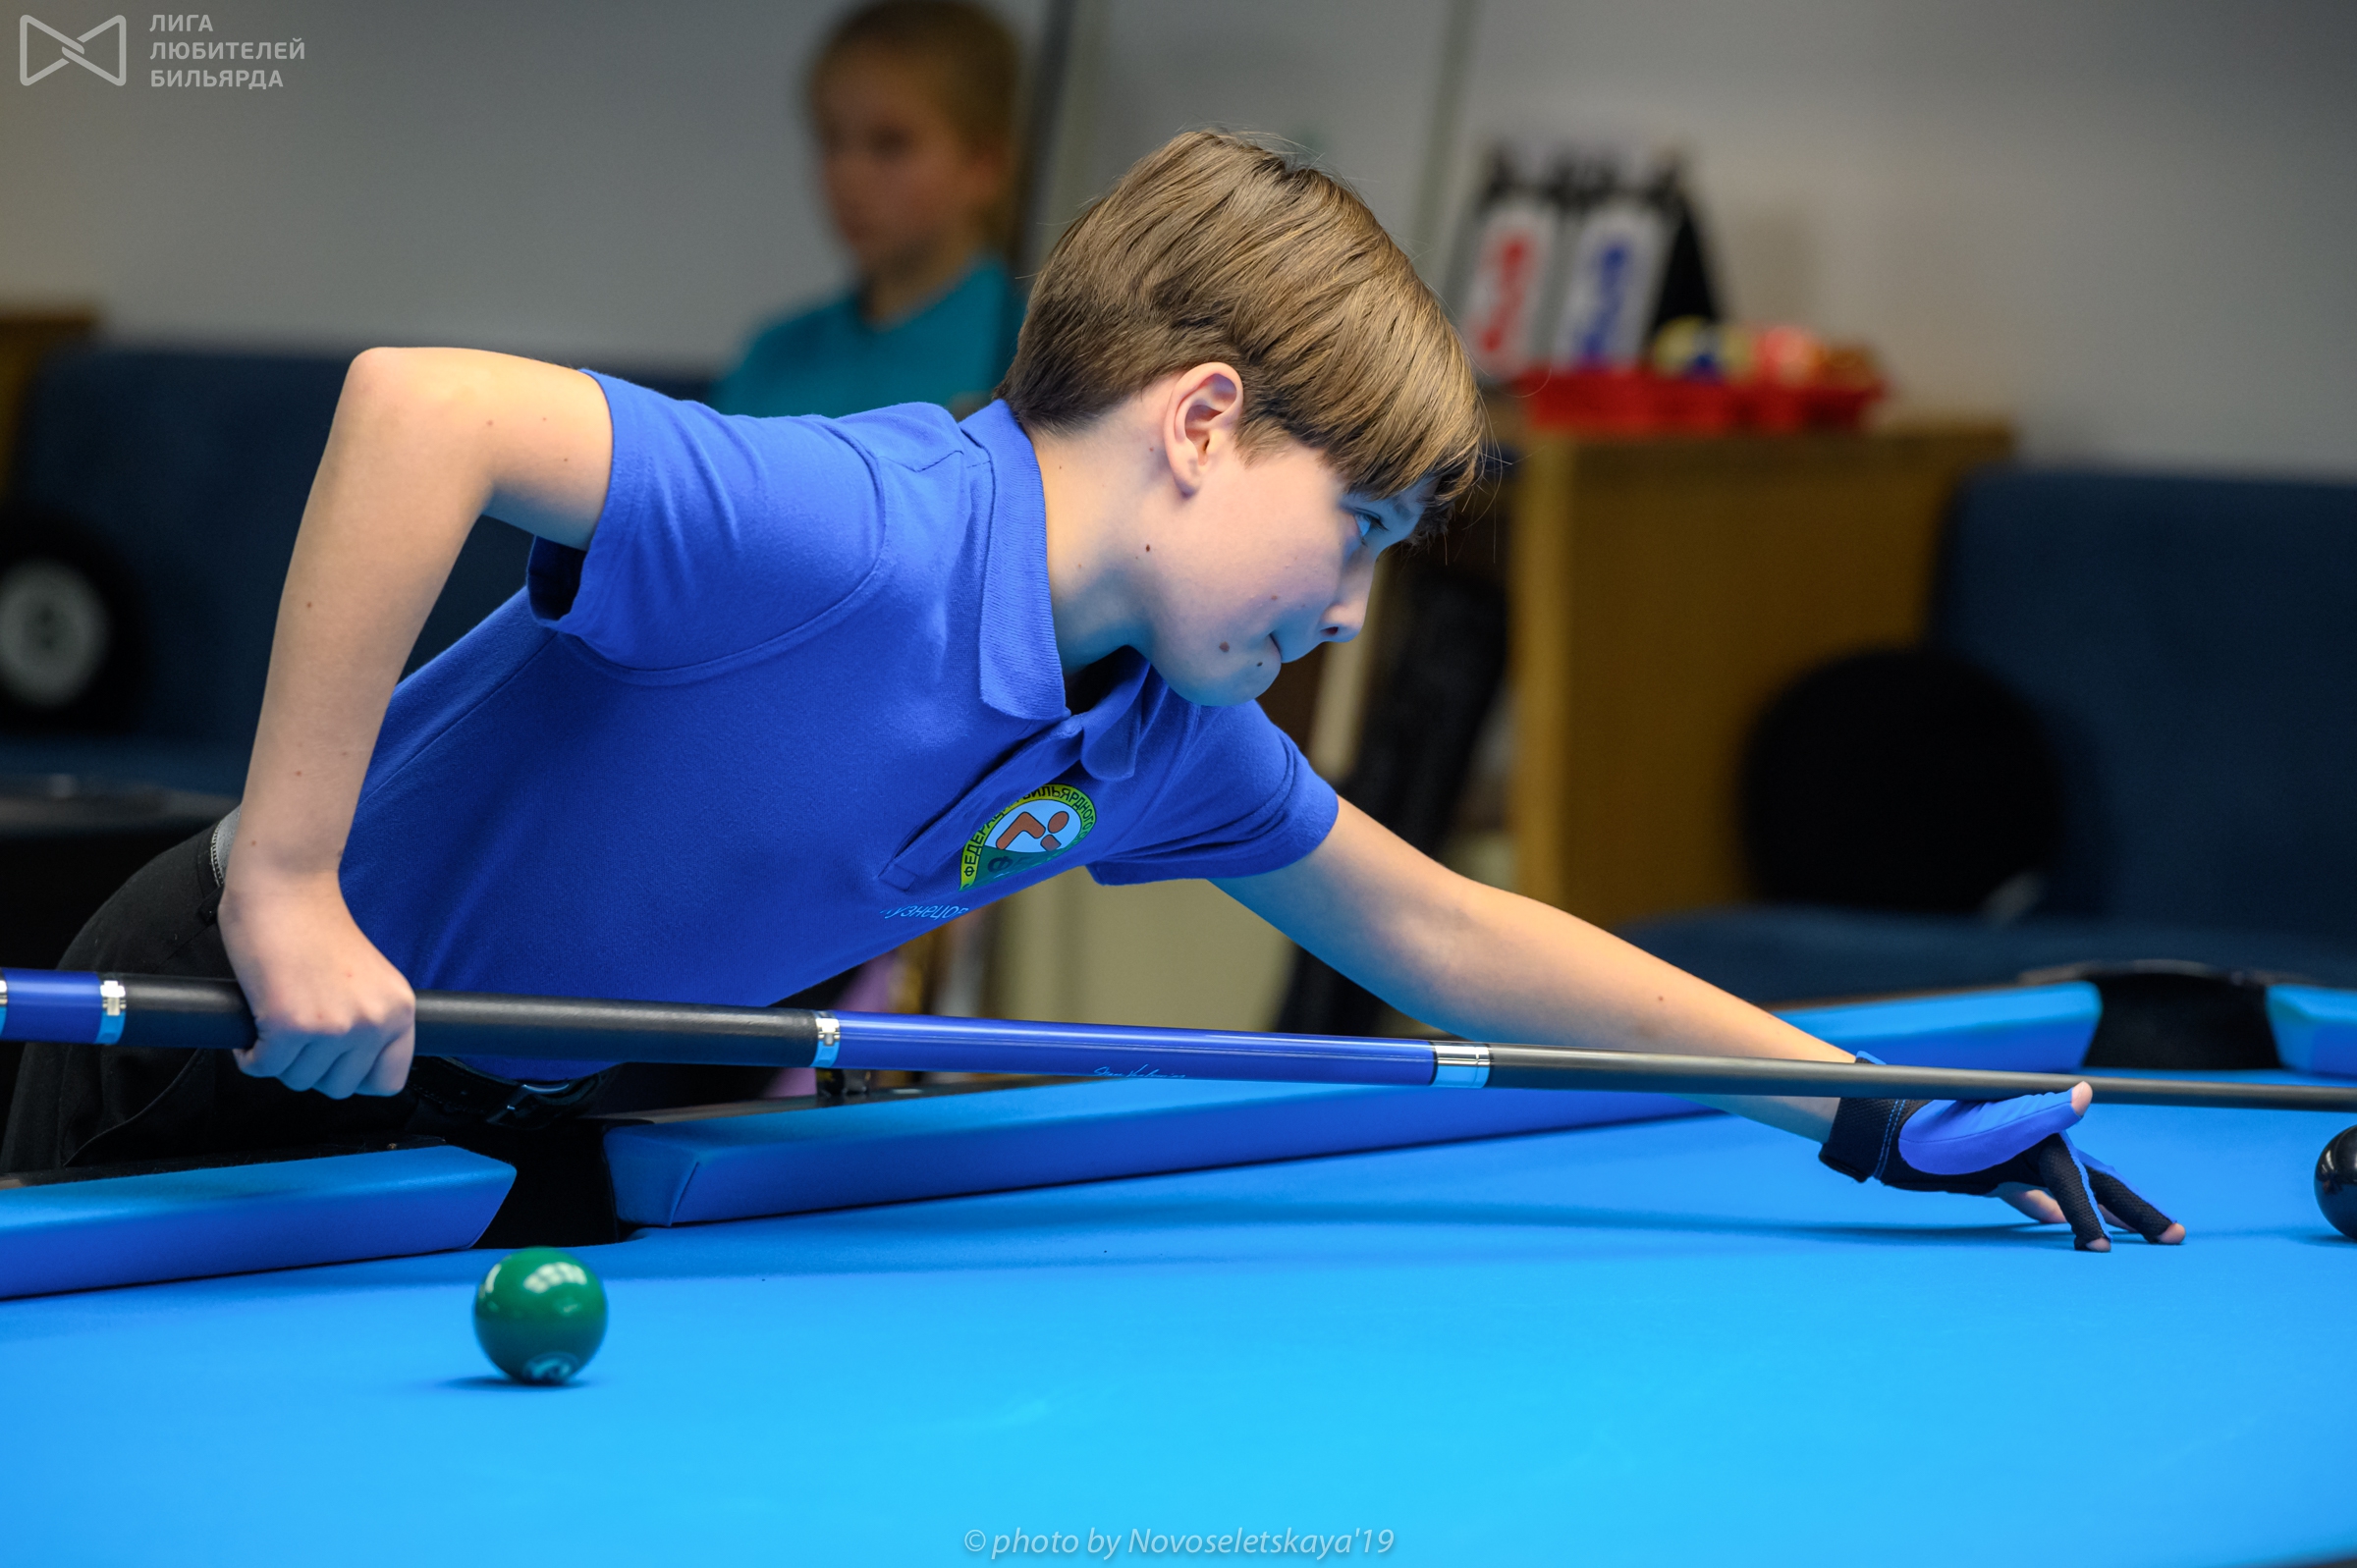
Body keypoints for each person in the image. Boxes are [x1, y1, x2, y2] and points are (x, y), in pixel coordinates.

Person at [0, 133, 2181, 1253]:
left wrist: (1863, 1110)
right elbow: (420, 407)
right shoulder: (849, 525)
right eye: (1358, 529)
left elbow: (1449, 931)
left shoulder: (1156, 734)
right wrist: (290, 881)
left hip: (510, 1113)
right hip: (220, 1039)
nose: (1354, 612)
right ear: (1205, 420)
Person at [712, 0, 1023, 421]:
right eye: (832, 140)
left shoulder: (1035, 354)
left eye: (890, 145)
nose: (848, 178)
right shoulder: (773, 358)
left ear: (985, 164)